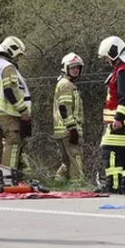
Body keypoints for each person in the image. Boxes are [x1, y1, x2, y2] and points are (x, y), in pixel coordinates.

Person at [98, 36, 125, 195]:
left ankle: (113, 186)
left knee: (109, 152)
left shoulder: (123, 71)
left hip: (123, 123)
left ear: (112, 53)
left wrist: (119, 118)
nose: (105, 61)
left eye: (106, 57)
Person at [0, 36, 31, 171]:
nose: (17, 59)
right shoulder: (7, 67)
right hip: (9, 114)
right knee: (13, 143)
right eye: (18, 56)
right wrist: (23, 111)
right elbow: (10, 91)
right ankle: (7, 177)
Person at [52, 52, 85, 181]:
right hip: (68, 130)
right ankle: (78, 183)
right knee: (75, 157)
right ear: (66, 68)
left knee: (67, 161)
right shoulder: (67, 85)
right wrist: (72, 129)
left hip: (62, 130)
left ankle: (59, 182)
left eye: (78, 67)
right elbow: (64, 108)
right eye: (72, 67)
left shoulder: (65, 83)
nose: (76, 70)